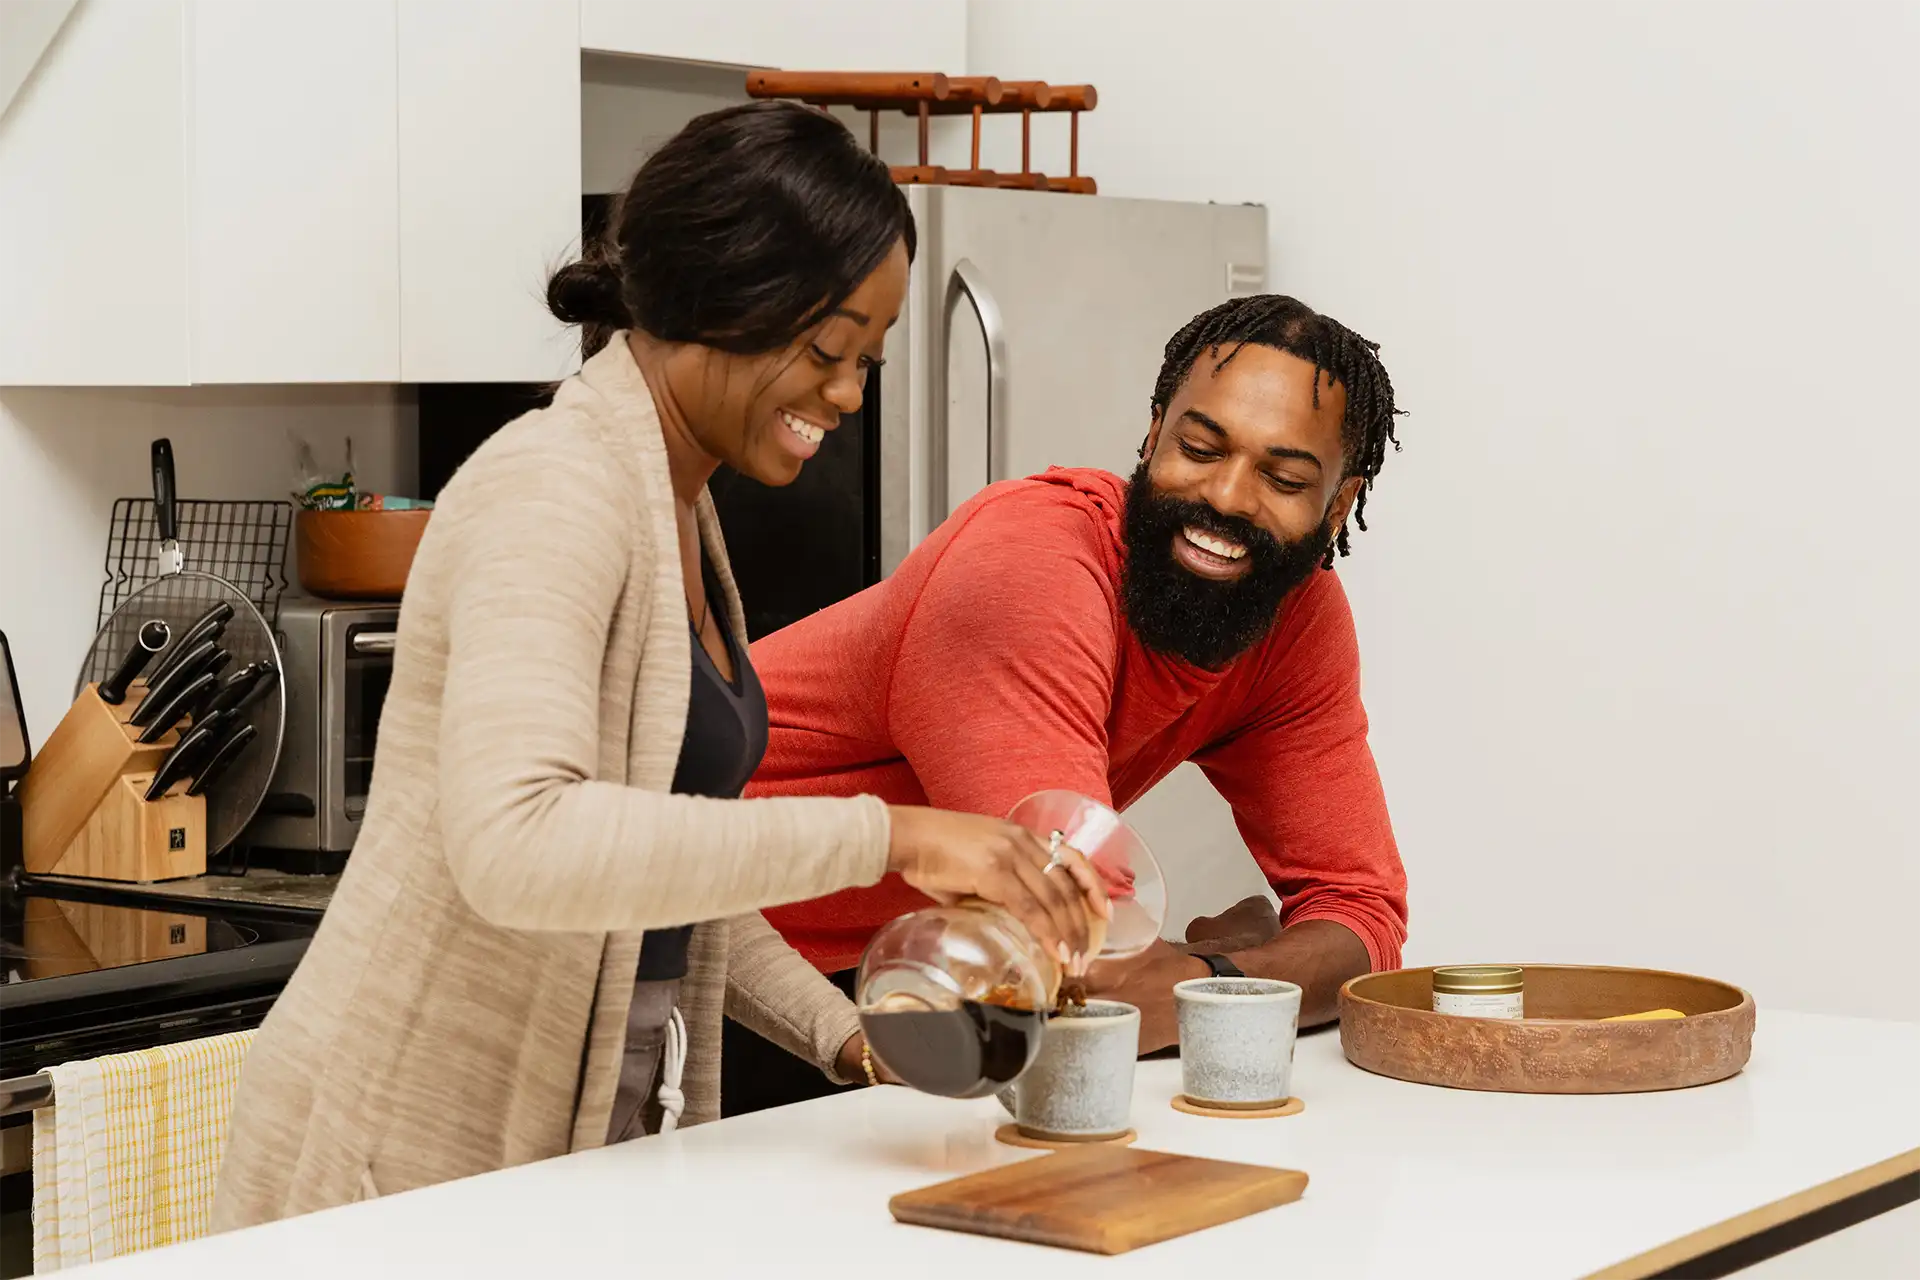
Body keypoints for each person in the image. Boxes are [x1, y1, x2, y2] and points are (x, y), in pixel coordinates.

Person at [209, 101, 1107, 1231]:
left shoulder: (678, 507)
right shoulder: (556, 487)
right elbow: (520, 839)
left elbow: (675, 889)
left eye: (867, 361)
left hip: (573, 1141)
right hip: (401, 1151)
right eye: (827, 350)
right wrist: (897, 835)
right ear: (725, 296)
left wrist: (849, 1039)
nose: (848, 394)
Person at [726, 294, 1410, 1107]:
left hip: (890, 983)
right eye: (1199, 447)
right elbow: (1075, 941)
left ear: (1338, 505)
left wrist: (1216, 971)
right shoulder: (1027, 565)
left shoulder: (1296, 621)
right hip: (706, 956)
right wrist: (1249, 962)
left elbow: (1364, 923)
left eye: (1284, 478)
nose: (1228, 497)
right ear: (1153, 435)